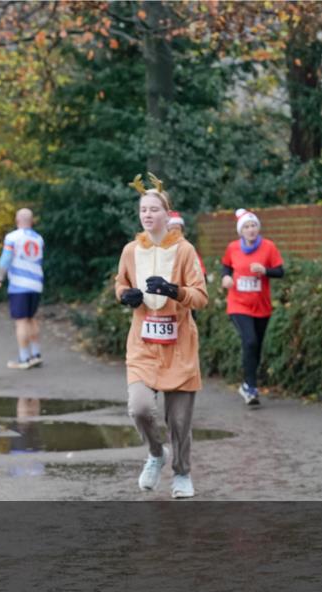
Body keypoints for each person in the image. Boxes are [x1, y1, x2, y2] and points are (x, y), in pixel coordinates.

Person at [116, 173, 207, 499]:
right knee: (139, 408)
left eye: (155, 209)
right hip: (143, 345)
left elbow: (201, 297)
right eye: (144, 209)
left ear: (167, 215)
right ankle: (156, 453)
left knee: (179, 422)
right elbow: (120, 284)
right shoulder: (130, 251)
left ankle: (182, 473)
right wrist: (126, 296)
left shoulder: (184, 251)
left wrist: (174, 291)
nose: (148, 214)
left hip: (179, 346)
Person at [221, 208, 284, 406]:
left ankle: (248, 382)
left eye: (254, 225)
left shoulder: (268, 247)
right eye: (247, 227)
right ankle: (250, 386)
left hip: (262, 306)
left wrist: (265, 270)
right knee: (249, 341)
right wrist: (226, 278)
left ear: (258, 228)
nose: (251, 230)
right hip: (238, 304)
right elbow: (226, 266)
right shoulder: (232, 248)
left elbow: (280, 271)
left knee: (256, 346)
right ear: (241, 231)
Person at [0, 208, 44, 369]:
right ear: (32, 221)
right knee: (31, 318)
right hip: (36, 284)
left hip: (19, 285)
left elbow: (5, 259)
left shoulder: (12, 237)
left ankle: (24, 359)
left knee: (21, 322)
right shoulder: (39, 239)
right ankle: (36, 354)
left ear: (17, 220)